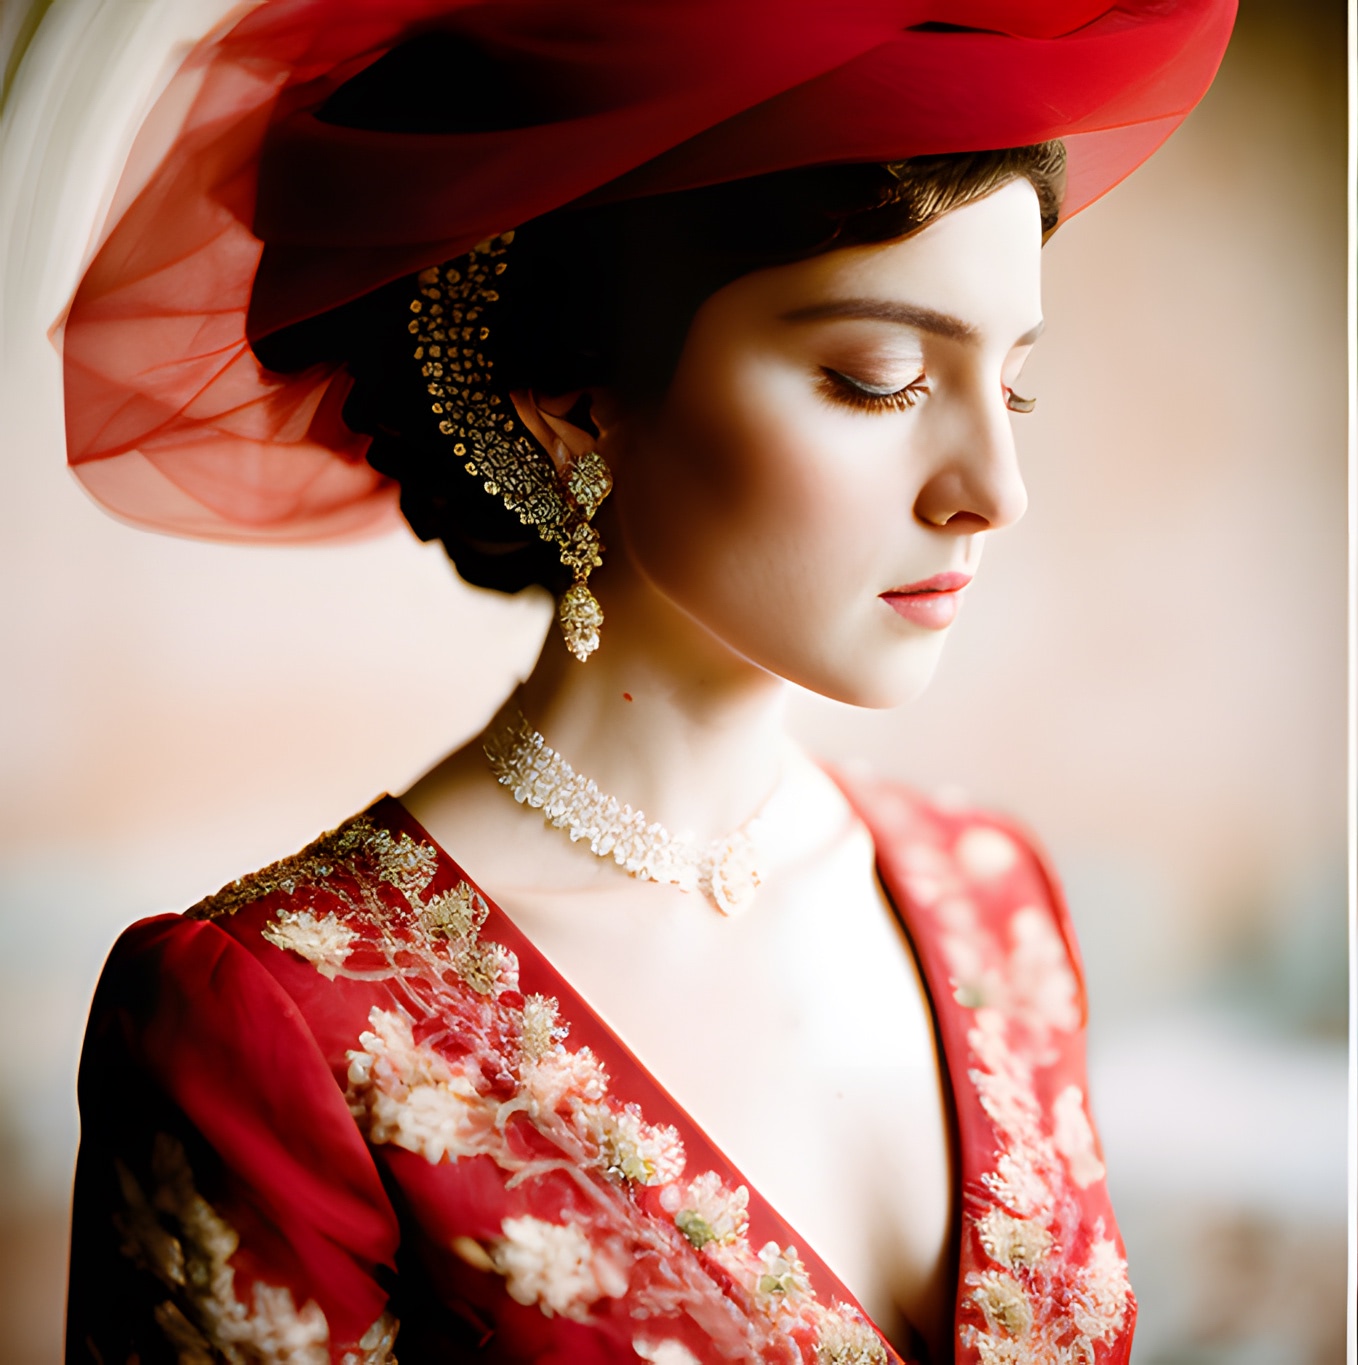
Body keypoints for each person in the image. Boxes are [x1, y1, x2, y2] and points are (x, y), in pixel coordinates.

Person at [60, 3, 1234, 1360]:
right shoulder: (277, 1021)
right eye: (881, 380)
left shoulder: (992, 898)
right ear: (574, 396)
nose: (995, 489)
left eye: (1013, 388)